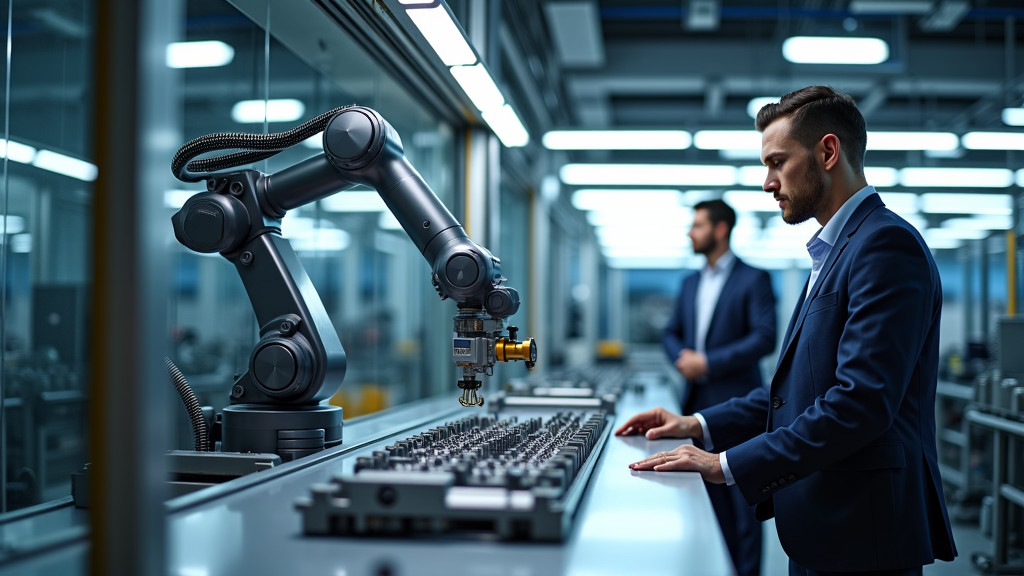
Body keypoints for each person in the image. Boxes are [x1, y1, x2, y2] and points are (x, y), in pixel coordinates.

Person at [616, 85, 957, 575]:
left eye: (777, 162)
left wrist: (726, 463)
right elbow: (797, 391)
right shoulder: (835, 249)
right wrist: (698, 424)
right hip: (826, 523)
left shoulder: (885, 246)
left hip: (864, 531)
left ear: (827, 152)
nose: (768, 182)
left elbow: (860, 404)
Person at [661, 198, 777, 576]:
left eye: (698, 225)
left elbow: (764, 337)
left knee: (743, 506)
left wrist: (708, 362)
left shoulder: (753, 278)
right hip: (695, 403)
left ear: (720, 229)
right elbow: (671, 331)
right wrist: (682, 356)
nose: (690, 232)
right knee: (708, 506)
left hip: (740, 408)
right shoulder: (690, 282)